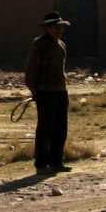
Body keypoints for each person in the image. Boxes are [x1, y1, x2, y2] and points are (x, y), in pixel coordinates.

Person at [25, 12, 72, 175]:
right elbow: (31, 70)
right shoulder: (39, 44)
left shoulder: (61, 45)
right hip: (45, 92)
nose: (58, 30)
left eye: (60, 27)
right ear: (47, 28)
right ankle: (41, 164)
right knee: (45, 129)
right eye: (55, 28)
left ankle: (56, 162)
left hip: (61, 91)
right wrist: (35, 91)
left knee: (61, 128)